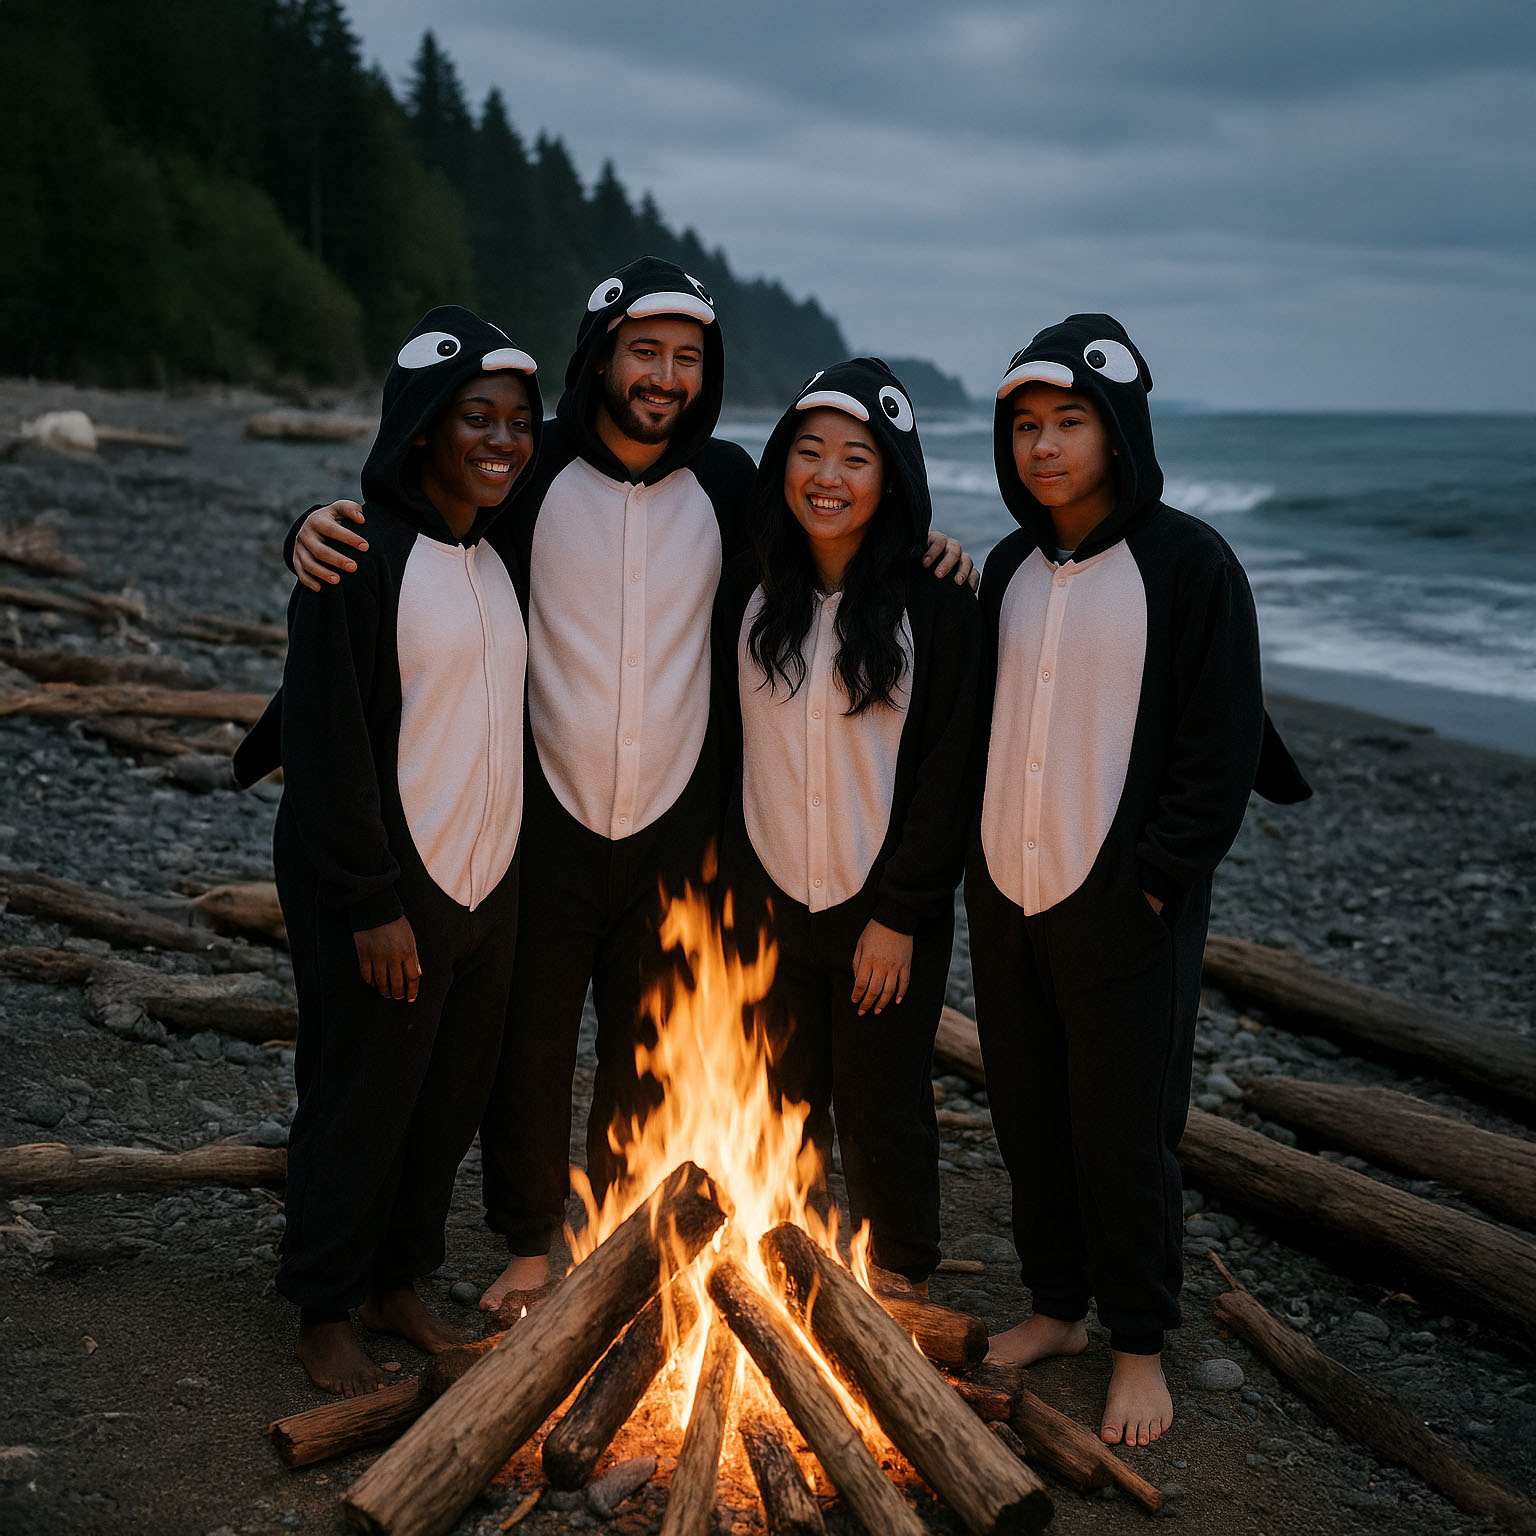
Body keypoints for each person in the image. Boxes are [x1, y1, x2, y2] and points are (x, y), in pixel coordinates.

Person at [286, 257, 976, 1313]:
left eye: (688, 358)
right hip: (544, 815)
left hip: (678, 823)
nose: (665, 376)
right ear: (601, 354)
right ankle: (525, 1243)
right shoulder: (530, 471)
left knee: (649, 1045)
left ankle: (622, 1246)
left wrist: (926, 541)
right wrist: (302, 525)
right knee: (525, 1044)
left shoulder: (731, 485)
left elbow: (828, 527)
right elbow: (421, 527)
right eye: (645, 352)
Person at [965, 314, 1309, 1445]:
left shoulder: (1190, 561)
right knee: (1029, 1116)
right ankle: (1059, 1307)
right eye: (1025, 427)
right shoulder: (1010, 566)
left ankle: (1139, 1345)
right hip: (1010, 895)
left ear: (1118, 429)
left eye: (1069, 423)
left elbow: (1219, 748)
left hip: (1124, 908)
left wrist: (1158, 881)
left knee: (1125, 1131)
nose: (1045, 446)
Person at [232, 306, 542, 1395]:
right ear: (422, 430)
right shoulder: (358, 556)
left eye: (517, 420)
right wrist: (370, 904)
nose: (501, 439)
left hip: (487, 877)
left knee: (445, 1100)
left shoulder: (499, 555)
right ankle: (322, 1307)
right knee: (359, 1094)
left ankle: (396, 1280)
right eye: (476, 419)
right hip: (381, 880)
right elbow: (322, 749)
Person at [718, 358, 982, 1295]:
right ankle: (788, 1275)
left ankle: (901, 1281)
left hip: (884, 910)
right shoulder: (744, 588)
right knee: (781, 1105)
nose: (828, 476)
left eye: (857, 458)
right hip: (767, 899)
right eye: (809, 451)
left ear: (894, 477)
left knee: (883, 1108)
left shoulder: (938, 599)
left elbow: (950, 773)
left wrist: (905, 913)